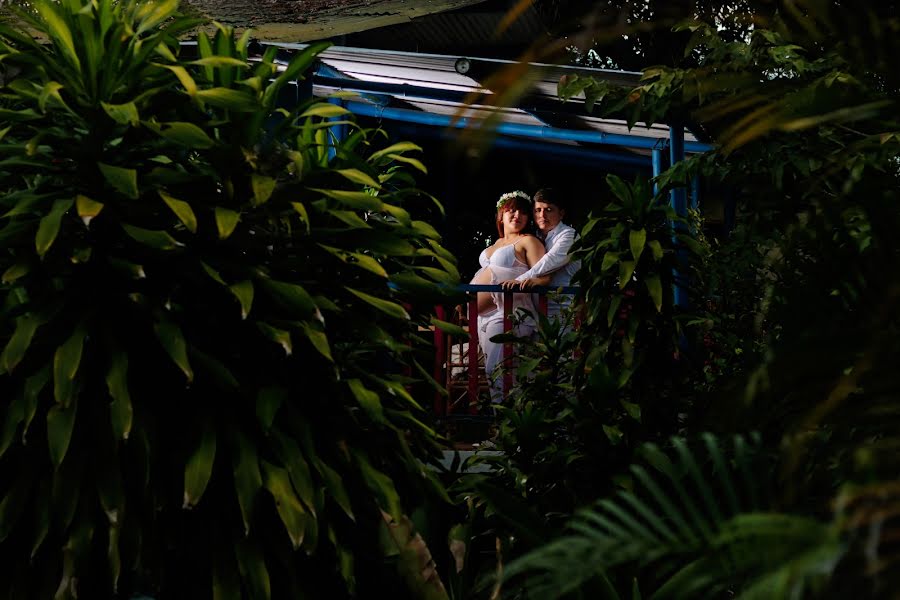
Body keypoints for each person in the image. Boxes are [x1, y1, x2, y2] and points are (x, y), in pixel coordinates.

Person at [469, 190, 547, 402]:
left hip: (510, 314)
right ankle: (503, 423)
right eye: (511, 211)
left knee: (501, 371)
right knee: (492, 371)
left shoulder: (529, 241)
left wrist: (522, 283)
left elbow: (543, 278)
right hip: (484, 316)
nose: (516, 216)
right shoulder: (494, 244)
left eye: (522, 212)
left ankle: (506, 427)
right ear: (500, 215)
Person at [501, 187, 580, 320]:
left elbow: (548, 262)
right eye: (538, 210)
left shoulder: (569, 235)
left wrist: (518, 281)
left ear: (561, 214)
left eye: (549, 210)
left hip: (563, 309)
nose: (542, 216)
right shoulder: (535, 236)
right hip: (534, 311)